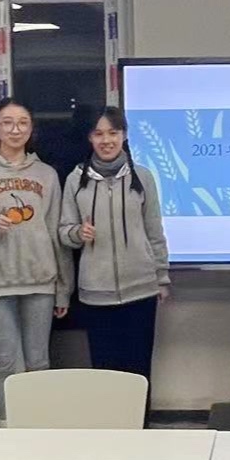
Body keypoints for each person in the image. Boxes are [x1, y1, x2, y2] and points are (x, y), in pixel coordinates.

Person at [0, 99, 73, 422]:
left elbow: (56, 233)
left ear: (31, 128)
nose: (15, 129)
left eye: (23, 122)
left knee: (39, 363)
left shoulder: (47, 174)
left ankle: (38, 428)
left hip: (40, 282)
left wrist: (63, 288)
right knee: (7, 362)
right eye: (7, 122)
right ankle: (8, 429)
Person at [59, 107, 170, 380]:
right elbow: (63, 231)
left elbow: (154, 231)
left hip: (141, 291)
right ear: (90, 137)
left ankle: (140, 411)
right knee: (106, 373)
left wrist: (162, 277)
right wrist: (78, 233)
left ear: (124, 135)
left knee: (139, 371)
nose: (106, 140)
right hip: (95, 294)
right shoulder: (75, 179)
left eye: (113, 132)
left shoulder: (142, 177)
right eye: (98, 134)